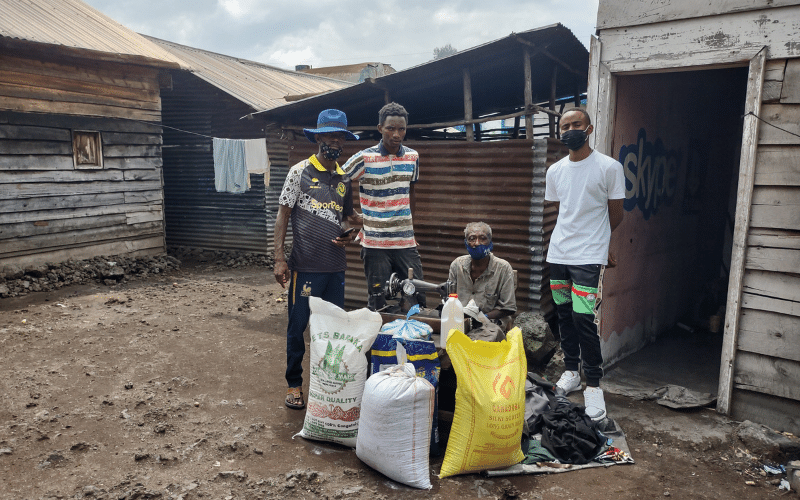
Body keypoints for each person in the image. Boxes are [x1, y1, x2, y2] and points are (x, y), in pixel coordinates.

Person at [273, 109, 360, 410]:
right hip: (305, 267)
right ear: (318, 138)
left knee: (333, 332)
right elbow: (283, 215)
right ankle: (294, 385)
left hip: (335, 268)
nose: (334, 142)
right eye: (329, 136)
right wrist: (279, 259)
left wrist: (351, 234)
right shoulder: (299, 172)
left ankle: (326, 386)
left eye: (340, 137)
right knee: (298, 327)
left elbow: (347, 219)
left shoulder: (344, 177)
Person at [545, 107, 625, 421]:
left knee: (583, 318)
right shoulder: (555, 171)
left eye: (576, 124)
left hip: (588, 256)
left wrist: (601, 245)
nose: (570, 130)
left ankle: (593, 384)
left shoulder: (609, 167)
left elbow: (616, 213)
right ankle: (570, 371)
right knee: (563, 314)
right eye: (564, 126)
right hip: (559, 254)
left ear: (589, 128)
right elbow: (563, 212)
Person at [342, 102, 425, 310]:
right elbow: (339, 181)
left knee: (416, 297)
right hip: (375, 244)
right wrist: (349, 213)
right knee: (379, 300)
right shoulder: (364, 158)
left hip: (405, 242)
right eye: (390, 128)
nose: (396, 134)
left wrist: (410, 228)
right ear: (380, 129)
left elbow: (411, 191)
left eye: (401, 129)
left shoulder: (412, 157)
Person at [448, 222, 516, 330]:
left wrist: (482, 318)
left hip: (491, 324)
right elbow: (449, 298)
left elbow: (508, 308)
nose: (477, 243)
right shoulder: (457, 265)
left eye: (483, 238)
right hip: (461, 322)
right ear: (466, 242)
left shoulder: (503, 268)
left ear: (490, 241)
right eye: (472, 238)